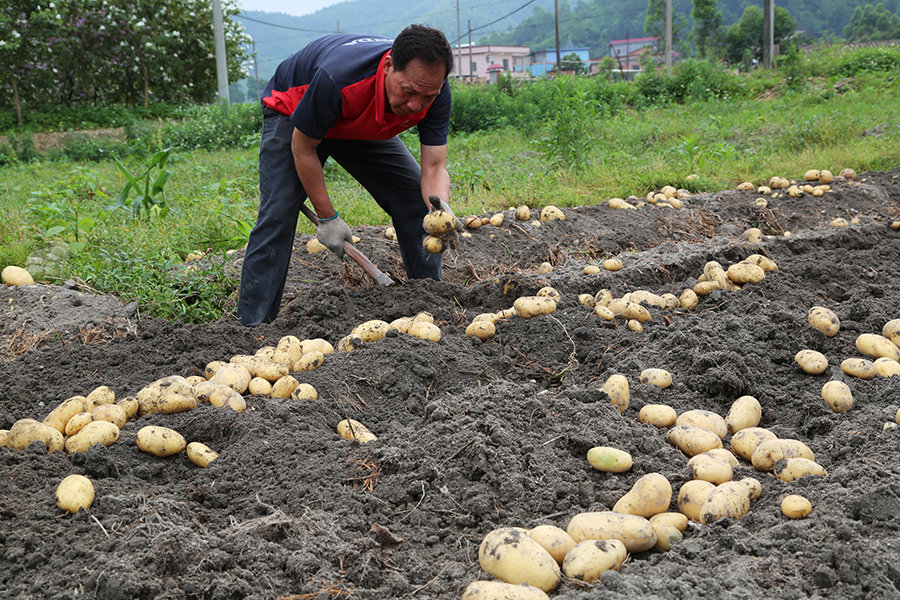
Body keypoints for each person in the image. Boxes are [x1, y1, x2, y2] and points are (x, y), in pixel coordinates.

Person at [237, 24, 458, 326]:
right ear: (388, 66)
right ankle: (252, 327)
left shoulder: (434, 89)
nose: (416, 105)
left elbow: (434, 167)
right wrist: (327, 218)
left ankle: (430, 299)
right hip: (295, 114)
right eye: (408, 92)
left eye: (427, 97)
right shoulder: (339, 78)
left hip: (356, 120)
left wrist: (439, 209)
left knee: (413, 197)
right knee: (279, 213)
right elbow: (303, 149)